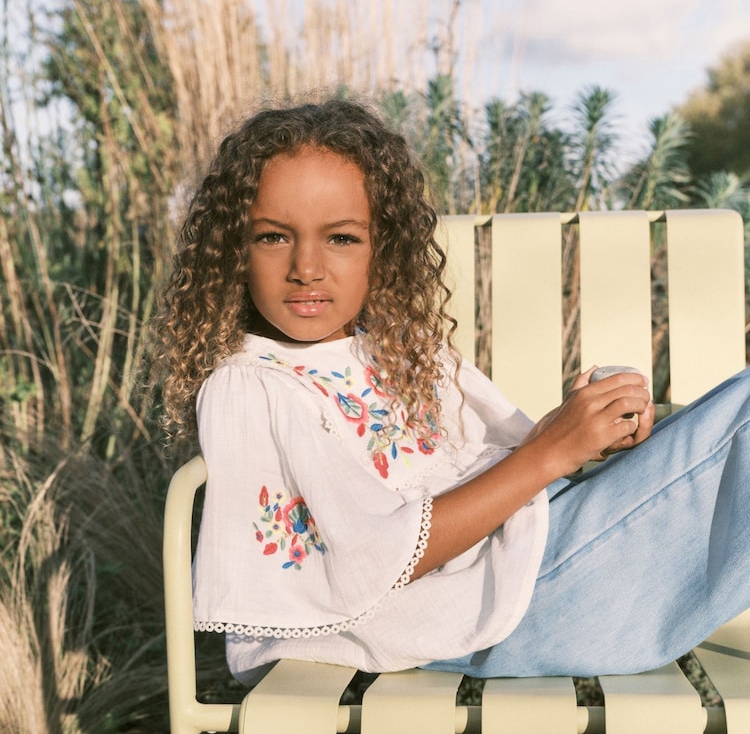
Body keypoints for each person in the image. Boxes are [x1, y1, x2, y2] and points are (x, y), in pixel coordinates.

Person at [153, 97, 750, 685]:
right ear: (234, 250)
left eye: (340, 238)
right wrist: (552, 453)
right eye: (272, 237)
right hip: (506, 605)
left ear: (381, 247)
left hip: (531, 561)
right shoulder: (252, 386)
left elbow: (502, 470)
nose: (306, 266)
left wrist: (589, 430)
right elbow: (372, 560)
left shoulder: (391, 350)